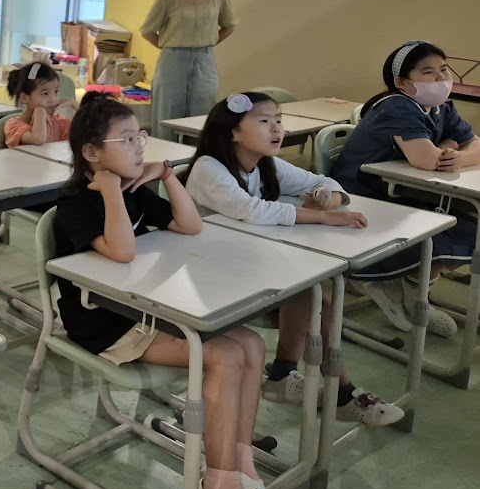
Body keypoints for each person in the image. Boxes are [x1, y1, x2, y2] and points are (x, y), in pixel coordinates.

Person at [54, 92, 290, 489]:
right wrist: (108, 190)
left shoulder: (134, 190)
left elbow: (189, 226)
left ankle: (241, 462)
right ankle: (219, 488)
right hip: (106, 325)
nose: (139, 147)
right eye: (126, 139)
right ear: (92, 153)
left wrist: (165, 175)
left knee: (251, 346)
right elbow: (122, 251)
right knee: (224, 356)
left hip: (144, 310)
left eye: (138, 137)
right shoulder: (76, 203)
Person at [184, 92, 403, 427]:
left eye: (278, 120)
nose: (277, 129)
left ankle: (290, 377)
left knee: (314, 292)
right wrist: (323, 217)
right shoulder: (208, 168)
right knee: (317, 296)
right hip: (210, 279)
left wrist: (327, 199)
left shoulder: (265, 164)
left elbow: (322, 181)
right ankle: (335, 392)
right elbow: (251, 210)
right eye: (264, 121)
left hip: (248, 265)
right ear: (232, 131)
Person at [332, 40, 479, 337]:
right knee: (451, 229)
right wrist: (451, 148)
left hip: (405, 191)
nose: (440, 78)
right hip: (367, 196)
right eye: (428, 72)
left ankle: (410, 287)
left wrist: (454, 153)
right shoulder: (397, 107)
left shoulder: (441, 107)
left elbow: (473, 144)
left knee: (471, 228)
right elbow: (428, 160)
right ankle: (398, 287)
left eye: (443, 69)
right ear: (401, 82)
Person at [140, 0, 238, 139]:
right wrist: (171, 46)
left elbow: (229, 25)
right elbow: (147, 30)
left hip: (205, 60)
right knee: (167, 112)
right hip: (173, 61)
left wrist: (207, 43)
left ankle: (197, 157)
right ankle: (165, 155)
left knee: (202, 112)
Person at [3, 59, 76, 149]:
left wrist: (73, 103)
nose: (53, 100)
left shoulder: (58, 121)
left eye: (56, 91)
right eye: (45, 93)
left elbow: (88, 134)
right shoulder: (13, 126)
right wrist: (40, 112)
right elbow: (38, 139)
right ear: (25, 98)